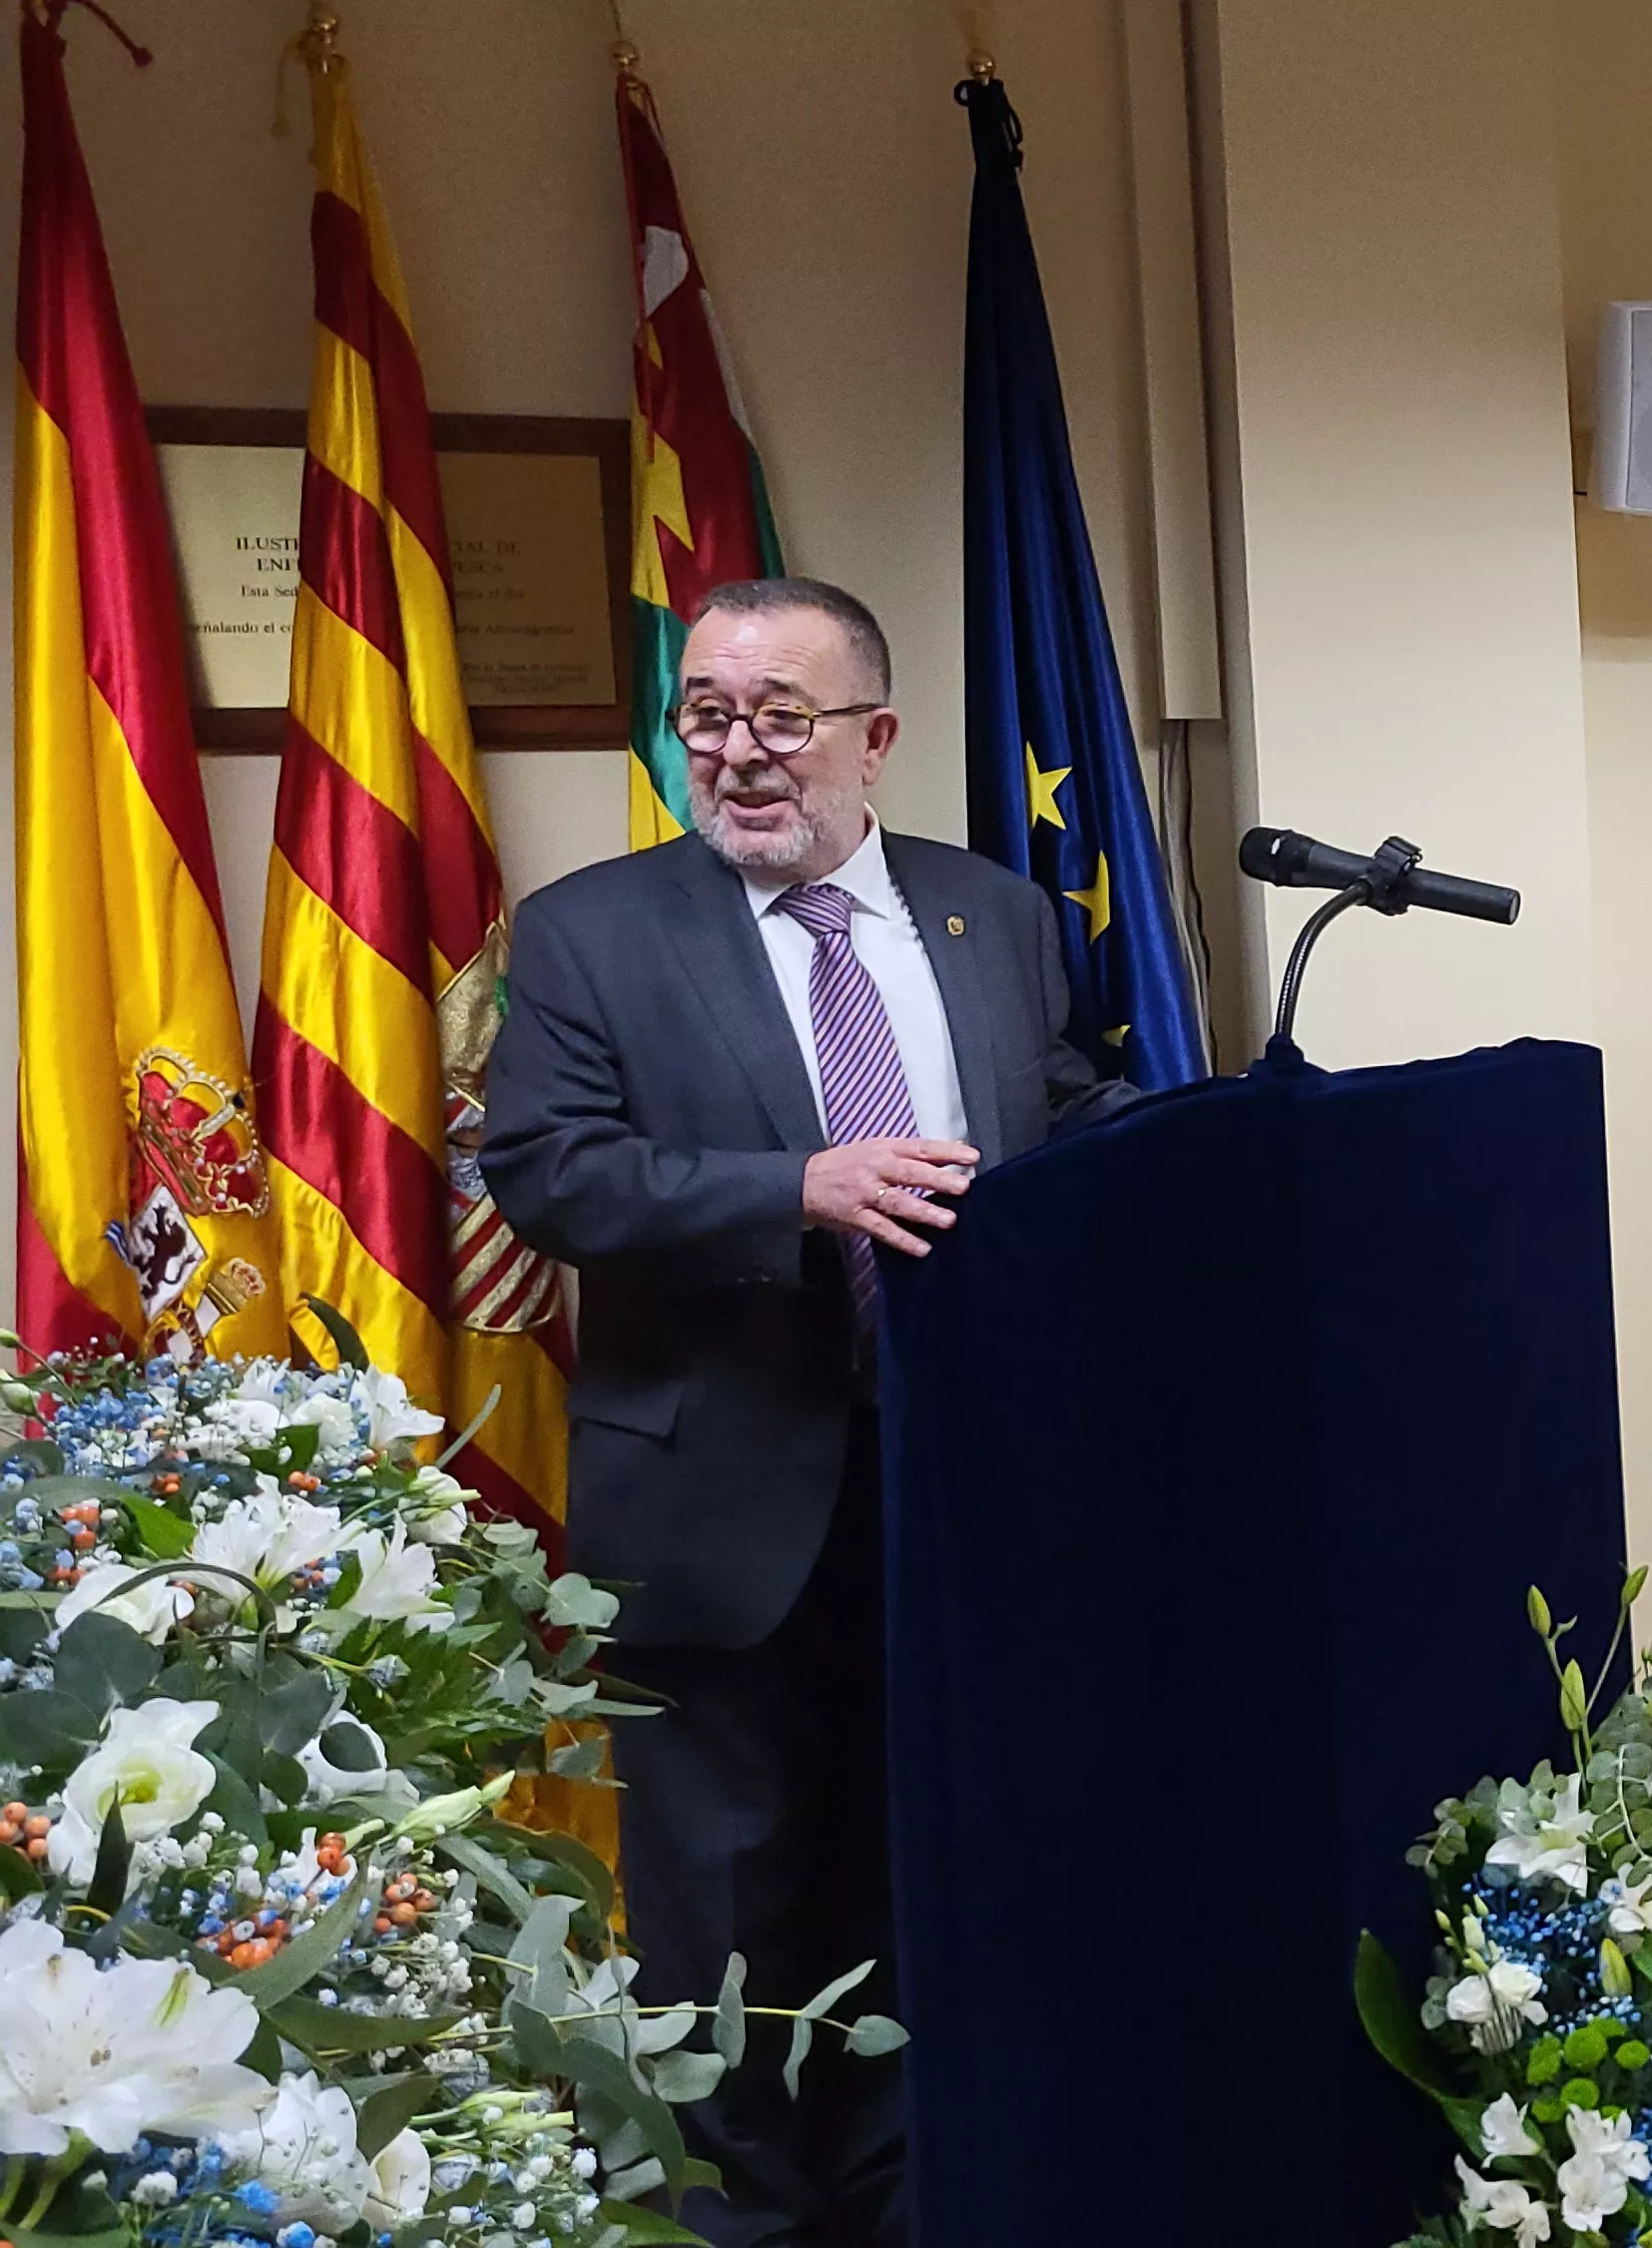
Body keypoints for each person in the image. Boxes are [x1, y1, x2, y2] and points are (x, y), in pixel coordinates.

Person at [481, 577, 1129, 2248]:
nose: (740, 752)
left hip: (957, 1501)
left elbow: (1061, 1116)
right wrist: (798, 1187)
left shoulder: (994, 912)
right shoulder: (589, 930)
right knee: (727, 1932)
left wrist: (1242, 1136)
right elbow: (549, 1172)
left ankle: (913, 2207)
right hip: (717, 1515)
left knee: (928, 1887)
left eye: (783, 716)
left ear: (878, 739)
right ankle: (743, 2227)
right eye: (708, 712)